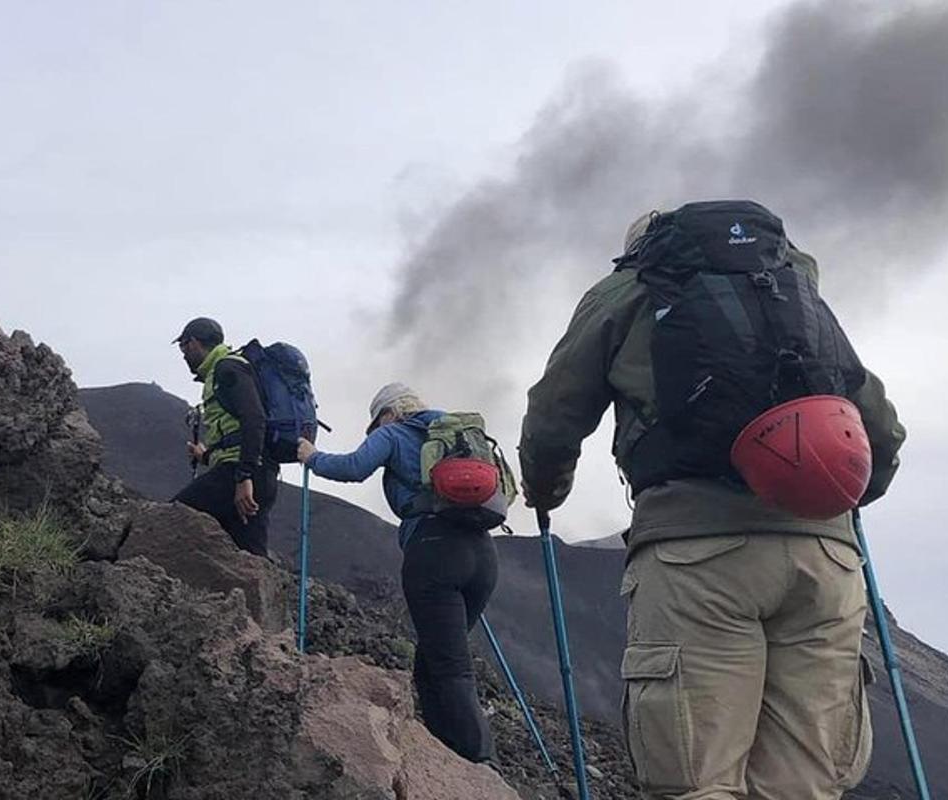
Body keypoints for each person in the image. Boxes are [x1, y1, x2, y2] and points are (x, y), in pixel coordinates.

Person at [519, 206, 906, 799]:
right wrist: (844, 498)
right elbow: (877, 425)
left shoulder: (627, 292)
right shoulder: (795, 295)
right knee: (804, 784)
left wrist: (546, 491)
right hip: (824, 558)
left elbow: (554, 414)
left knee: (697, 781)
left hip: (696, 556)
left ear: (640, 251)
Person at [297, 382, 498, 765]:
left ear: (388, 413)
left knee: (449, 663)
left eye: (375, 423)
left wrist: (312, 456)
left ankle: (475, 761)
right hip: (484, 555)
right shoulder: (457, 435)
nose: (375, 431)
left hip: (434, 551)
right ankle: (448, 754)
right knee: (432, 660)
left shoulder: (394, 433)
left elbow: (353, 468)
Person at [172, 316, 278, 557]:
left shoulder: (227, 368)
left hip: (241, 474)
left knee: (172, 516)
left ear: (194, 343)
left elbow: (254, 418)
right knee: (250, 554)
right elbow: (237, 430)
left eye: (183, 347)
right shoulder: (225, 369)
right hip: (262, 473)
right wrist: (207, 455)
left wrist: (244, 477)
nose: (183, 354)